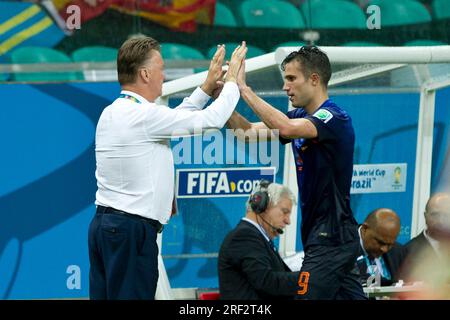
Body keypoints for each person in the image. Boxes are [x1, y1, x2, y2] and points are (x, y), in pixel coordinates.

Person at [88, 36, 247, 300]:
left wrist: (205, 89)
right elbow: (211, 120)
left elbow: (174, 119)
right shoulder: (142, 116)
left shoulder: (117, 111)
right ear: (145, 73)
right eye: (161, 68)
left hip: (108, 227)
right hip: (130, 231)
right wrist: (232, 81)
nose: (164, 75)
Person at [227, 45, 365, 299]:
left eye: (291, 78)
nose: (285, 87)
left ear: (314, 79)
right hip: (324, 237)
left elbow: (287, 128)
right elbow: (245, 133)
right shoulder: (300, 116)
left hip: (331, 238)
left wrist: (243, 88)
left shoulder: (334, 117)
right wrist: (223, 95)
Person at [218, 181, 300, 300]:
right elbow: (266, 281)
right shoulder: (243, 236)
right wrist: (307, 279)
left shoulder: (258, 237)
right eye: (285, 212)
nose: (288, 221)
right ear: (264, 205)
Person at [399, 192, 450, 299]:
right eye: (435, 214)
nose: (441, 221)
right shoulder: (407, 251)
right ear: (425, 216)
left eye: (447, 215)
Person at [356, 208, 406, 287]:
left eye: (390, 244)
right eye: (380, 242)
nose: (385, 249)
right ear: (364, 229)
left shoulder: (398, 252)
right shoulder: (342, 249)